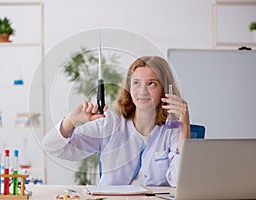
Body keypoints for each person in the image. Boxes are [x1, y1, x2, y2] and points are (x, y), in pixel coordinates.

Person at [42, 56, 190, 187]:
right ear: (129, 87)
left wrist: (184, 127)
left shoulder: (172, 131)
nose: (142, 91)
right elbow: (52, 147)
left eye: (151, 83)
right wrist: (72, 120)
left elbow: (180, 181)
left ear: (165, 89)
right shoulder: (110, 123)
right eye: (136, 83)